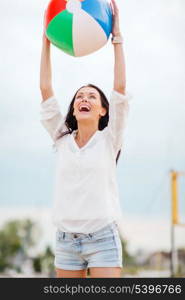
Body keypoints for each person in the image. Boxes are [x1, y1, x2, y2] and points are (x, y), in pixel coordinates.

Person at [40, 0, 131, 278]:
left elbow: (120, 88)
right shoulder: (61, 137)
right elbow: (46, 88)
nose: (84, 98)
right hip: (66, 241)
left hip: (102, 238)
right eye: (80, 95)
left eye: (92, 96)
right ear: (74, 108)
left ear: (103, 110)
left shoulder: (109, 138)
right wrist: (46, 39)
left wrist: (117, 37)